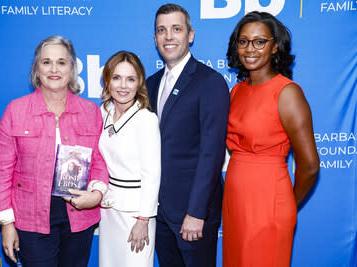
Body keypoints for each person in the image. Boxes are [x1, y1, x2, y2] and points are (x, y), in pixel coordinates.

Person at [0, 35, 109, 267]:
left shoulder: (90, 111)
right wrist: (6, 223)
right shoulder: (16, 110)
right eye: (46, 62)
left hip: (79, 213)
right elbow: (2, 171)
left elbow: (100, 162)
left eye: (61, 62)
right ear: (37, 68)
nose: (54, 69)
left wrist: (96, 195)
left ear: (72, 68)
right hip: (31, 216)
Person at [223, 11, 320, 266]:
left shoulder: (287, 93)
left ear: (275, 46)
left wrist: (287, 203)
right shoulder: (237, 91)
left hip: (269, 200)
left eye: (259, 41)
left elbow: (309, 165)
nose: (250, 49)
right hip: (235, 199)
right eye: (243, 41)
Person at [146, 4, 230, 267]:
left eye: (176, 29)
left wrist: (196, 212)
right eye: (161, 30)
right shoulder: (150, 84)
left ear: (190, 35)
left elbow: (212, 153)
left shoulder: (210, 82)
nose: (168, 36)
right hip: (158, 213)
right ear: (155, 38)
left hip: (192, 215)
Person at [98, 51, 161, 267]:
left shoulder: (146, 119)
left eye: (130, 79)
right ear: (107, 80)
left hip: (135, 214)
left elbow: (152, 174)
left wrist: (143, 220)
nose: (123, 86)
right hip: (108, 210)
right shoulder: (103, 112)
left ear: (139, 83)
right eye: (116, 78)